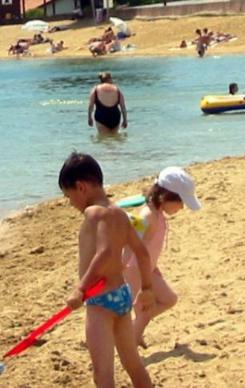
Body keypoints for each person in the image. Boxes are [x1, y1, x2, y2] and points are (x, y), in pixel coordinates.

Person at [57, 152, 154, 388]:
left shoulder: (94, 213)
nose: (71, 204)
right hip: (122, 295)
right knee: (133, 363)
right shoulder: (119, 213)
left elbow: (105, 252)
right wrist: (148, 288)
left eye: (69, 197)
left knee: (103, 373)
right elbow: (142, 253)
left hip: (100, 301)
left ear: (80, 187)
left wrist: (80, 289)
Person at [122, 167, 201, 346]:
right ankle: (130, 338)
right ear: (166, 197)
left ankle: (134, 332)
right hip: (135, 271)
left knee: (169, 299)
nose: (182, 208)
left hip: (148, 269)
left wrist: (153, 266)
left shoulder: (158, 214)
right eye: (181, 203)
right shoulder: (147, 216)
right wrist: (124, 268)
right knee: (143, 309)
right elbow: (129, 243)